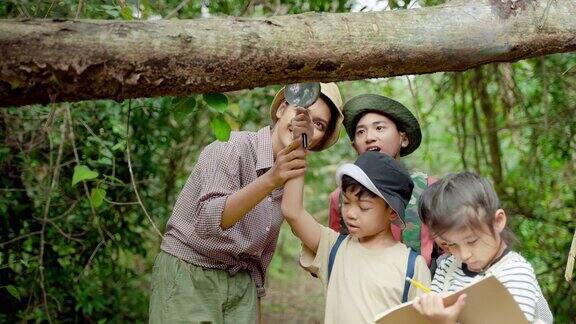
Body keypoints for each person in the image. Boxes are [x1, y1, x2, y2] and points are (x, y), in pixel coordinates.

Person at [149, 83, 344, 323]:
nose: (304, 124)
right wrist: (272, 178)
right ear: (282, 108)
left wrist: (254, 300)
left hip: (243, 285)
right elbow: (209, 220)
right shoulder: (232, 147)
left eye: (318, 124)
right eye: (301, 111)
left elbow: (262, 252)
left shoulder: (293, 179)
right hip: (190, 273)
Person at [281, 142, 431, 323]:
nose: (350, 213)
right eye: (346, 202)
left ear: (392, 211)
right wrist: (299, 142)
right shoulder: (333, 248)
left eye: (364, 207)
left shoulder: (413, 266)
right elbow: (292, 211)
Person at [413, 172, 553, 324]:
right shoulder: (447, 268)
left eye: (472, 241)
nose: (464, 255)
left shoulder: (515, 273)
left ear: (498, 221)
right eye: (451, 244)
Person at [327, 94, 437, 267]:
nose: (369, 137)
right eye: (361, 132)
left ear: (404, 138)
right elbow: (332, 255)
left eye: (379, 128)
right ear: (355, 145)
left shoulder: (432, 190)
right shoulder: (340, 198)